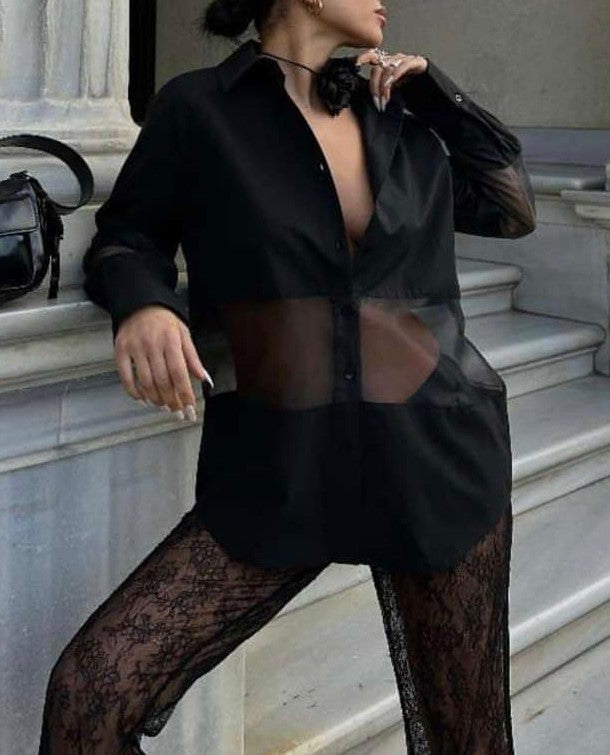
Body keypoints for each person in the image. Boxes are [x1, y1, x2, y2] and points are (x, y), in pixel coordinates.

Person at [38, 0, 537, 752]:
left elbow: (511, 208)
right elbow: (127, 235)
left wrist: (436, 94)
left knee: (468, 741)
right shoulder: (200, 110)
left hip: (437, 454)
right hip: (281, 468)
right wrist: (143, 306)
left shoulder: (397, 117)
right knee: (92, 687)